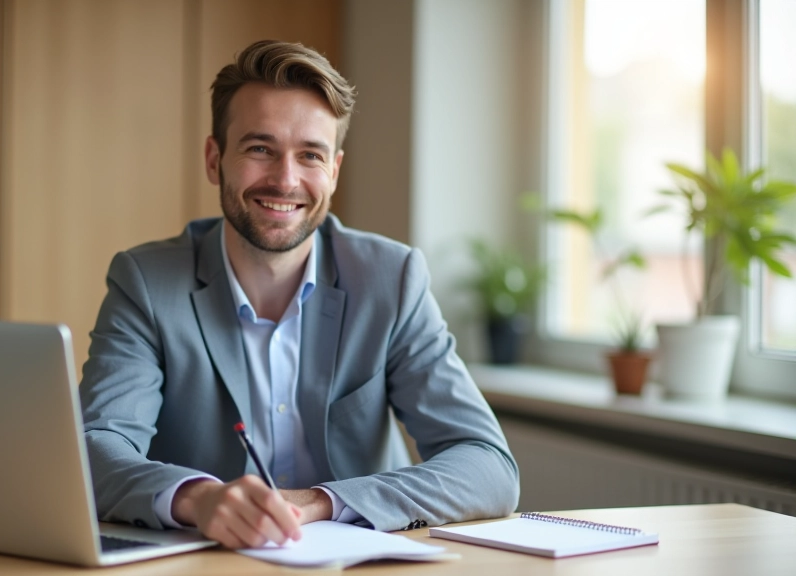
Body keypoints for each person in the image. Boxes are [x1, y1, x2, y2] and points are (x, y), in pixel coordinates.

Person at [79, 39, 518, 550]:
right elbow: (94, 450)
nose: (285, 180)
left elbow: (488, 467)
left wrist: (317, 502)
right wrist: (198, 498)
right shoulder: (146, 282)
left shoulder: (391, 279)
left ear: (333, 170)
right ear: (214, 159)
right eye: (259, 149)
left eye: (310, 155)